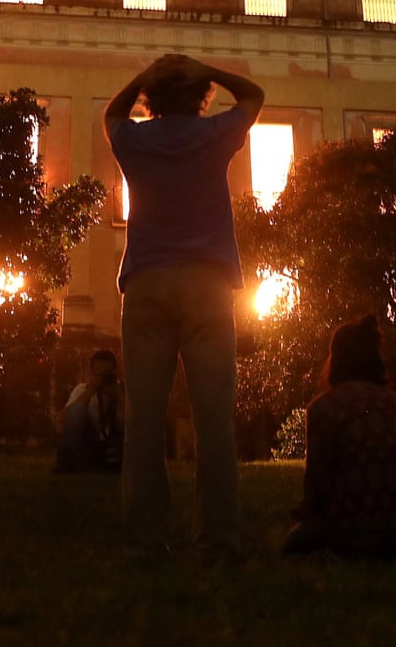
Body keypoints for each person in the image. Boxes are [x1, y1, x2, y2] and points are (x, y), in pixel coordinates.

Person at [106, 53, 263, 562]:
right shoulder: (214, 134)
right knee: (214, 418)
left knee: (144, 419)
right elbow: (253, 95)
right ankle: (217, 539)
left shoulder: (135, 140)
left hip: (147, 282)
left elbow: (112, 114)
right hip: (207, 284)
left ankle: (145, 541)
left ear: (151, 97)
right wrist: (208, 69)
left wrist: (142, 76)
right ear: (200, 96)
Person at [283, 316, 396, 559]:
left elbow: (318, 485)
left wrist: (303, 514)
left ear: (336, 358)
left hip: (348, 530)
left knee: (291, 542)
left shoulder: (325, 407)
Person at [55, 349, 124, 473]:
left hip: (118, 446)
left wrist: (118, 396)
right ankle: (67, 462)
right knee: (76, 408)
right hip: (91, 443)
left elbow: (140, 423)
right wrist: (91, 390)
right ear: (91, 373)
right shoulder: (83, 390)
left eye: (108, 374)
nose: (104, 379)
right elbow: (62, 420)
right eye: (100, 374)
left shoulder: (124, 392)